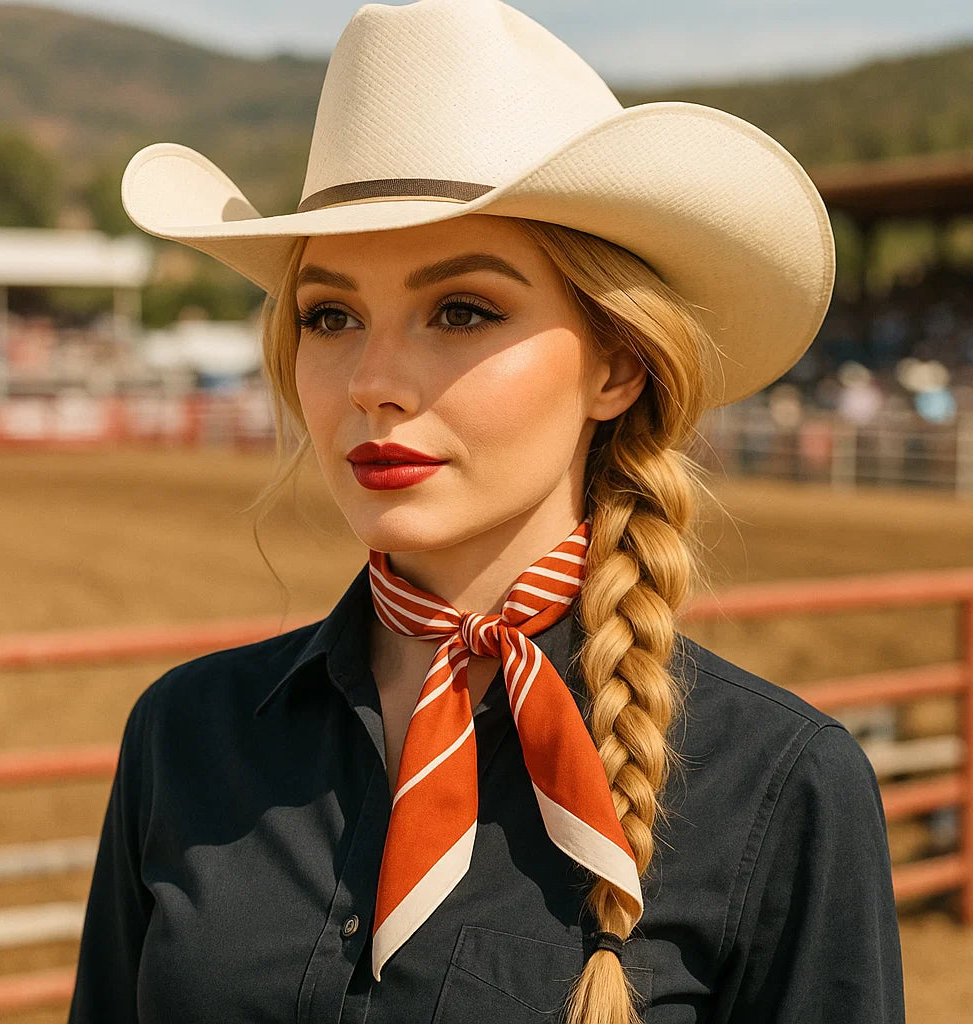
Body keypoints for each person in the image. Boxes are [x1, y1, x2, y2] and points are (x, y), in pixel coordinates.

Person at [69, 1, 904, 1022]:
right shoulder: (182, 736)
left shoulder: (780, 788)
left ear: (618, 364)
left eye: (461, 309)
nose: (373, 380)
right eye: (329, 314)